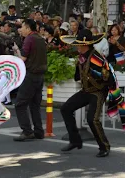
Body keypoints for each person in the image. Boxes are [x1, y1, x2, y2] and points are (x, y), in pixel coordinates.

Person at [59, 29, 113, 157]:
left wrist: (97, 76)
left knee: (92, 119)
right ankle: (75, 141)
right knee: (66, 109)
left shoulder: (96, 58)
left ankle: (104, 146)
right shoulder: (82, 57)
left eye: (78, 44)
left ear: (85, 45)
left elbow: (108, 78)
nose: (76, 46)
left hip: (98, 92)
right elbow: (78, 76)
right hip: (86, 91)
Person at [12, 19, 47, 141]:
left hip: (31, 74)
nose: (21, 30)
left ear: (28, 28)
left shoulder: (29, 39)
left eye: (22, 27)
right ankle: (39, 131)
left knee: (20, 104)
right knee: (35, 105)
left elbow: (23, 58)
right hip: (40, 75)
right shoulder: (41, 38)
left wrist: (16, 51)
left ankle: (27, 131)